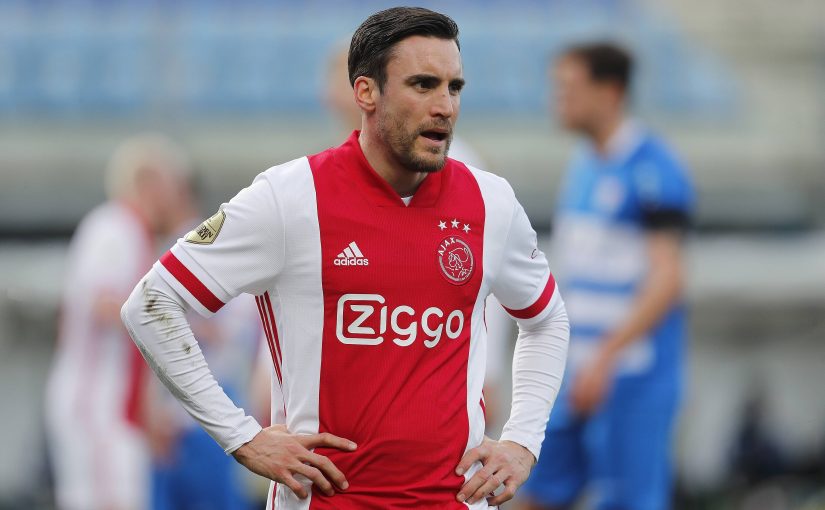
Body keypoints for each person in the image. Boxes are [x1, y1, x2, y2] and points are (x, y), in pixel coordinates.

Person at [121, 7, 569, 509]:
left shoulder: (490, 202)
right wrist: (242, 437)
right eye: (423, 85)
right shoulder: (290, 197)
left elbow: (547, 319)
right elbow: (151, 304)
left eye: (454, 87)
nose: (445, 106)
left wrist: (523, 441)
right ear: (365, 92)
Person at [517, 43, 694, 510]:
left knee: (628, 499)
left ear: (610, 91)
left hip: (632, 373)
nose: (558, 98)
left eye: (569, 87)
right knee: (534, 488)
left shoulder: (653, 166)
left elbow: (668, 278)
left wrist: (607, 356)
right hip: (577, 367)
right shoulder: (582, 165)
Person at [323, 39, 515, 434]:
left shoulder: (454, 165)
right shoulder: (327, 174)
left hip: (441, 387)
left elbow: (485, 273)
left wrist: (488, 371)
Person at [45, 134, 191, 510]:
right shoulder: (114, 226)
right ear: (148, 183)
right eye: (172, 186)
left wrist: (147, 410)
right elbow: (105, 304)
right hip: (94, 403)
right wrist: (170, 328)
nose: (177, 199)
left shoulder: (136, 233)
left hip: (113, 406)